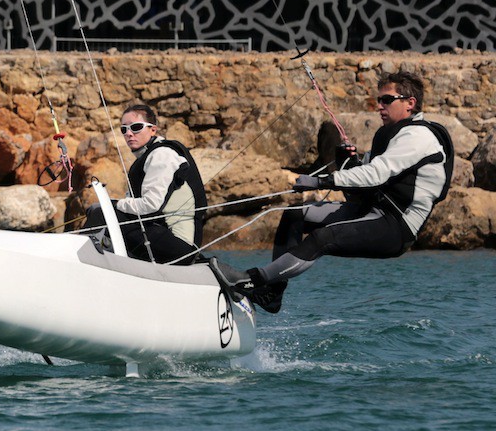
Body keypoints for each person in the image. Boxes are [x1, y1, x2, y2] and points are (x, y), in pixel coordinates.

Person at [224, 69, 455, 314]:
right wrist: (347, 163)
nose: (379, 106)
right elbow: (359, 190)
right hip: (368, 211)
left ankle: (250, 280)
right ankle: (271, 294)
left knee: (322, 239)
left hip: (396, 226)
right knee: (295, 214)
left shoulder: (419, 136)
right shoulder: (392, 136)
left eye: (387, 100)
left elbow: (376, 174)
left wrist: (322, 182)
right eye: (378, 100)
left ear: (410, 103)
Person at [109, 99, 206, 265]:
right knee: (105, 212)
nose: (129, 133)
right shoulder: (147, 157)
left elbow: (151, 204)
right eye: (124, 129)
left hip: (181, 246)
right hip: (162, 234)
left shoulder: (162, 154)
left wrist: (114, 205)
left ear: (153, 129)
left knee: (103, 214)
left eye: (136, 127)